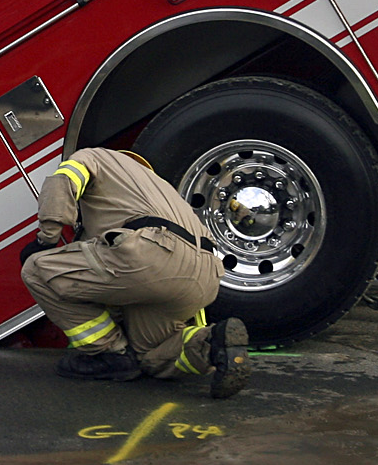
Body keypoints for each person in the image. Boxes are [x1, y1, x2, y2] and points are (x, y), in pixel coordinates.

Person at [18, 146, 248, 397]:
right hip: (207, 274)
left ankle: (110, 353)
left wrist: (46, 240)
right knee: (150, 355)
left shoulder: (95, 157)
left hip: (153, 256)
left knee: (36, 269)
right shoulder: (160, 189)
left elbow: (64, 180)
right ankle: (212, 344)